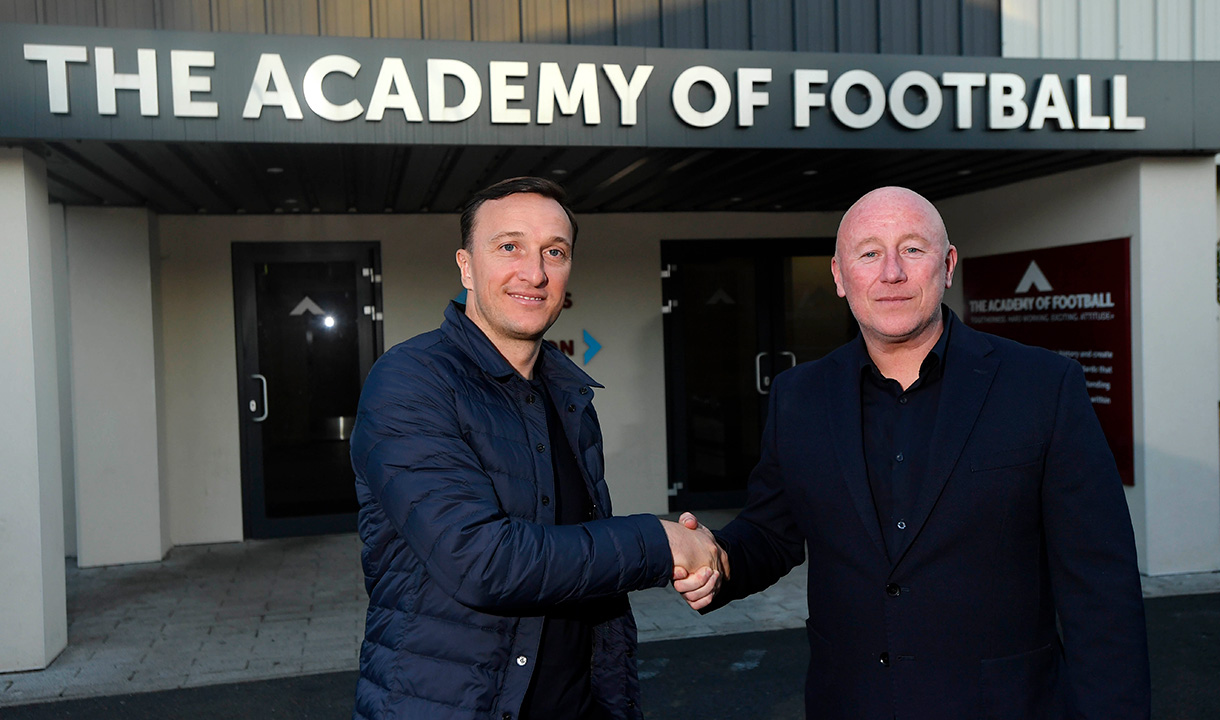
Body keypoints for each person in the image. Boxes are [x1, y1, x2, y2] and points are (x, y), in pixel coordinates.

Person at [674, 186, 1150, 719]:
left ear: (947, 266)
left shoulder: (1042, 386)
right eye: (870, 253)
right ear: (838, 275)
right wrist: (715, 558)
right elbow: (770, 531)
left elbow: (1100, 586)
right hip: (850, 703)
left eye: (913, 249)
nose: (892, 273)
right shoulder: (799, 396)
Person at [350, 176, 722, 720]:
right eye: (509, 247)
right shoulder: (410, 382)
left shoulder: (567, 395)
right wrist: (659, 543)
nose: (535, 272)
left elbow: (582, 568)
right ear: (466, 266)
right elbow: (482, 561)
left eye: (555, 251)